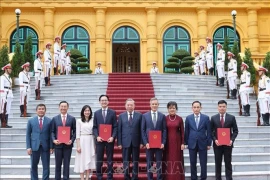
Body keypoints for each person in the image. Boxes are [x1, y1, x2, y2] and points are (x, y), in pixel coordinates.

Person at [210, 100, 239, 180]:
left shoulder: (231, 117)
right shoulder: (213, 118)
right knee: (218, 163)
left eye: (223, 106)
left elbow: (235, 131)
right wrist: (215, 140)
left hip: (228, 145)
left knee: (228, 163)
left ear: (226, 107)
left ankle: (229, 178)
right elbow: (211, 131)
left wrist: (231, 140)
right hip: (217, 145)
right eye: (220, 106)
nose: (222, 108)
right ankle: (218, 178)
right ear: (217, 107)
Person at [184, 101, 212, 180]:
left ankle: (203, 177)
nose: (196, 109)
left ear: (201, 108)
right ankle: (194, 178)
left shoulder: (206, 118)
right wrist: (185, 142)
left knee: (203, 163)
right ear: (192, 108)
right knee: (192, 162)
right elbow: (187, 131)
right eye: (194, 107)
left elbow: (209, 131)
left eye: (198, 107)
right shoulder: (188, 118)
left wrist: (209, 143)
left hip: (203, 143)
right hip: (192, 143)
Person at [141, 97, 167, 180]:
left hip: (159, 144)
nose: (154, 105)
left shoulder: (162, 116)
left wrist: (163, 142)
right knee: (150, 163)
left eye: (156, 104)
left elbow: (164, 130)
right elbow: (143, 130)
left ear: (158, 105)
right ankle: (150, 178)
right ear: (150, 105)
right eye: (153, 104)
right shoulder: (145, 116)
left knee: (159, 162)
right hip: (149, 144)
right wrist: (146, 143)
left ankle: (159, 178)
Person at [92, 95, 117, 180]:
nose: (104, 102)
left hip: (110, 140)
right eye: (102, 100)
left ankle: (110, 176)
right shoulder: (96, 113)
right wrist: (97, 136)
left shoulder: (113, 112)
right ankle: (99, 176)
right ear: (99, 102)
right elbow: (94, 127)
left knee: (110, 159)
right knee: (99, 159)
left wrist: (113, 137)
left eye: (105, 100)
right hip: (100, 140)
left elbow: (115, 126)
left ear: (108, 102)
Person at [26, 104, 53, 180]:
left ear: (45, 110)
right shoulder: (31, 121)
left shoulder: (49, 121)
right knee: (33, 166)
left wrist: (51, 147)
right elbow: (28, 134)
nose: (41, 110)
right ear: (36, 110)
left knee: (46, 166)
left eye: (43, 109)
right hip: (34, 146)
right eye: (39, 109)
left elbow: (51, 135)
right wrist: (28, 147)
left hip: (46, 147)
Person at [117, 98, 143, 180]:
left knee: (135, 161)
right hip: (125, 142)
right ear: (125, 106)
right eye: (128, 105)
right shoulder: (121, 116)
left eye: (131, 105)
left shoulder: (139, 115)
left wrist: (142, 142)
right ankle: (126, 177)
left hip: (136, 141)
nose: (130, 106)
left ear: (134, 106)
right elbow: (119, 130)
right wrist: (119, 143)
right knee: (125, 161)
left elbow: (141, 129)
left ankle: (135, 177)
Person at [51, 101, 76, 180]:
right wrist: (54, 140)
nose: (63, 108)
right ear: (59, 107)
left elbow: (75, 131)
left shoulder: (72, 118)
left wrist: (71, 140)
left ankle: (66, 178)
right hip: (58, 145)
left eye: (65, 106)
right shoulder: (55, 119)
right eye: (62, 106)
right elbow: (52, 131)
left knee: (66, 164)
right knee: (58, 164)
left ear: (67, 107)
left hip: (68, 145)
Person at [163, 101, 185, 180]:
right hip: (167, 142)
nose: (172, 110)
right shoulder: (165, 118)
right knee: (168, 159)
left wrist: (183, 143)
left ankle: (178, 177)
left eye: (173, 108)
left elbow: (182, 132)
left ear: (176, 109)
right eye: (170, 108)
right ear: (168, 109)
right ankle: (168, 177)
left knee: (177, 159)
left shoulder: (179, 119)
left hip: (177, 142)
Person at [74, 105, 96, 180]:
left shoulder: (93, 120)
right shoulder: (79, 121)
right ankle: (82, 178)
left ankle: (87, 177)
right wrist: (78, 146)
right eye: (85, 111)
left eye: (88, 111)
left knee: (89, 159)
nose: (87, 112)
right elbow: (77, 134)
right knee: (82, 159)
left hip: (90, 140)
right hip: (82, 140)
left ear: (90, 112)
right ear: (83, 112)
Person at [0, 63, 13, 128]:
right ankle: (3, 123)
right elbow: (1, 87)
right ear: (6, 69)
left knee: (8, 109)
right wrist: (3, 96)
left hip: (9, 94)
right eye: (9, 68)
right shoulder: (2, 77)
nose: (11, 70)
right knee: (2, 109)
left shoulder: (9, 78)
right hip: (4, 94)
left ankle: (6, 123)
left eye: (11, 69)